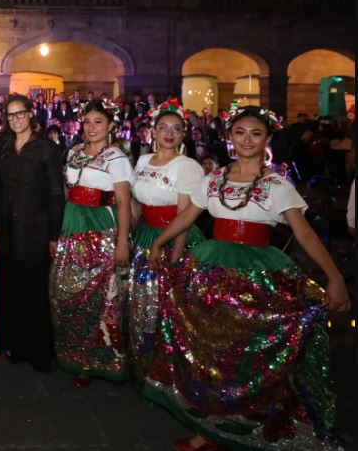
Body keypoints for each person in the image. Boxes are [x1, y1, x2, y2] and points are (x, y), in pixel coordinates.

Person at [145, 104, 351, 451]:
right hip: (212, 273)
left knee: (249, 356)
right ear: (230, 137)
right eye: (240, 133)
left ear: (267, 138)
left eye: (256, 133)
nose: (247, 140)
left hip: (258, 278)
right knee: (212, 352)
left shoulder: (276, 185)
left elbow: (304, 234)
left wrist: (335, 277)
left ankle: (249, 424)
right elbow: (187, 216)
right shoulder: (214, 179)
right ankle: (210, 427)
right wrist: (159, 242)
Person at [50, 98, 132, 387]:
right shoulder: (74, 152)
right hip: (72, 225)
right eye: (87, 121)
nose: (91, 127)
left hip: (101, 228)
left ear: (110, 126)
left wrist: (122, 243)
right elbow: (66, 191)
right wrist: (58, 232)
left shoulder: (116, 158)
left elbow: (123, 202)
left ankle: (103, 359)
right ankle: (77, 357)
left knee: (101, 297)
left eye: (98, 122)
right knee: (71, 294)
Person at [127, 99, 204, 383]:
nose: (169, 133)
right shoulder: (142, 161)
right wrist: (126, 235)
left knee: (170, 304)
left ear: (184, 134)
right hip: (145, 234)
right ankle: (145, 366)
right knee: (143, 303)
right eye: (163, 127)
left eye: (176, 129)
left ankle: (171, 372)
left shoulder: (187, 167)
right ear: (153, 131)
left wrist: (176, 258)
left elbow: (184, 217)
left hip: (173, 236)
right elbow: (136, 204)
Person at [0, 94, 64, 372]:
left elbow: (56, 194)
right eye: (10, 115)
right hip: (9, 229)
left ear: (30, 114)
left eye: (20, 113)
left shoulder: (46, 148)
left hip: (37, 229)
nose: (16, 119)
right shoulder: (5, 146)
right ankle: (16, 345)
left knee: (36, 293)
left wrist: (54, 235)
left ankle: (38, 352)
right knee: (13, 290)